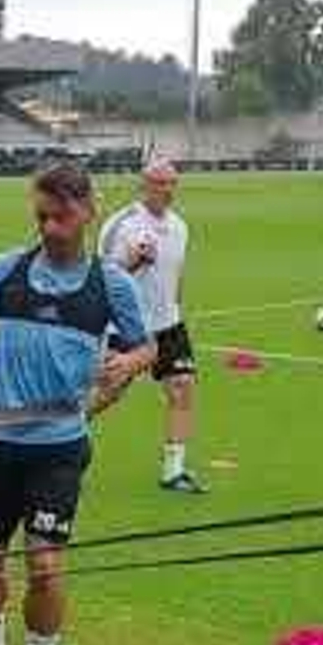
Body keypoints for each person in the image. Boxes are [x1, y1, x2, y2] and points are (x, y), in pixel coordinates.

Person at [0, 162, 153, 645]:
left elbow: (145, 348)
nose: (50, 227)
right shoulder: (5, 269)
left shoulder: (110, 283)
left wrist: (128, 363)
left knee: (44, 564)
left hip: (58, 446)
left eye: (60, 216)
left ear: (88, 210)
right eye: (41, 216)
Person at [91, 157, 205, 493]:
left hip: (168, 324)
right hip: (128, 327)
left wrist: (176, 310)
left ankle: (174, 470)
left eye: (172, 184)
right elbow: (101, 278)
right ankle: (62, 433)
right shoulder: (122, 224)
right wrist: (133, 261)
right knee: (110, 392)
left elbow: (177, 275)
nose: (167, 191)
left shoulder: (180, 226)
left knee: (182, 386)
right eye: (160, 184)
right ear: (144, 185)